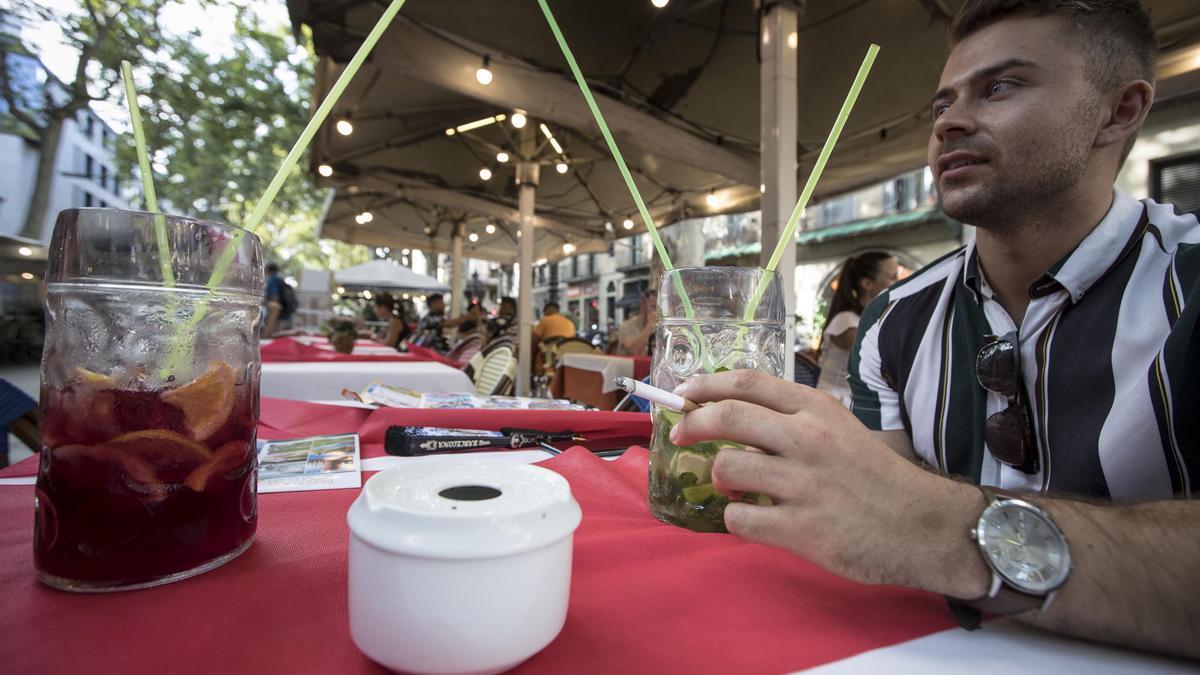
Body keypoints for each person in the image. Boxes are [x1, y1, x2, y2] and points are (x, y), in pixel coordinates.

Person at [666, 0, 1198, 660]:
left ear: (1119, 111)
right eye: (941, 105)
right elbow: (869, 521)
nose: (951, 123)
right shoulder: (894, 321)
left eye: (1001, 86)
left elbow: (906, 520)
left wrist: (948, 530)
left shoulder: (1187, 287)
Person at [814, 253, 898, 406]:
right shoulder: (846, 321)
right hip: (834, 404)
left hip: (852, 403)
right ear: (867, 284)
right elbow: (884, 358)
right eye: (892, 277)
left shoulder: (868, 320)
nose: (898, 282)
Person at [617, 289, 657, 356]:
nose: (657, 311)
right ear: (642, 306)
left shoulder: (660, 328)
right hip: (628, 366)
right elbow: (634, 350)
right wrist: (650, 324)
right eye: (654, 307)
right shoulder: (627, 326)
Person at [263, 263, 296, 337]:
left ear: (268, 270)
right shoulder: (282, 280)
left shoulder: (272, 280)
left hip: (277, 316)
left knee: (270, 338)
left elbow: (274, 297)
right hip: (287, 314)